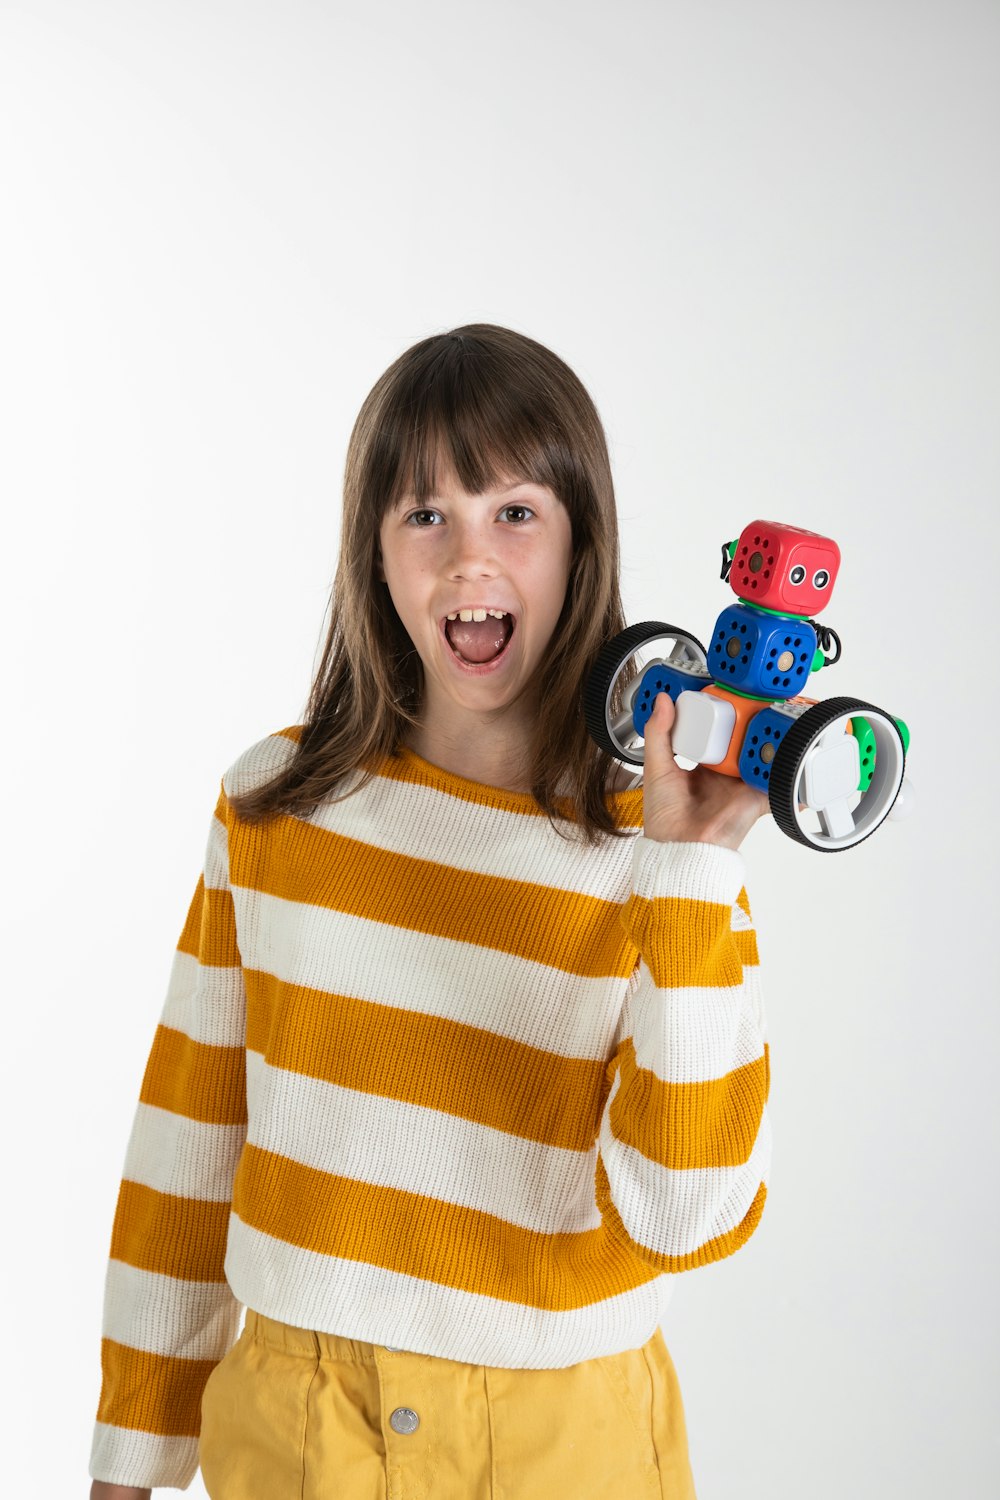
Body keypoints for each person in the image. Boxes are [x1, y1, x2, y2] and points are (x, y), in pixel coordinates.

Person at [89, 324, 771, 1500]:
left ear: (579, 543)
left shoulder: (660, 856)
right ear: (373, 551)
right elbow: (188, 1141)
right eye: (424, 515)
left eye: (514, 512)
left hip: (566, 1443)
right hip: (299, 1432)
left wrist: (692, 866)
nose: (470, 559)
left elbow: (684, 1216)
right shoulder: (273, 807)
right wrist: (127, 1460)